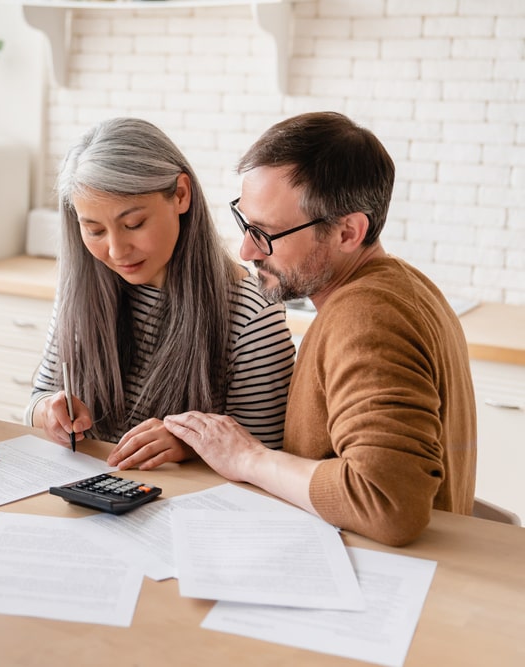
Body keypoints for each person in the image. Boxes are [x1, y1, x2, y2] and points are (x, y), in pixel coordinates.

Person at [164, 111, 476, 546]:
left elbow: (388, 503)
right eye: (245, 222)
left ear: (348, 232)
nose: (247, 249)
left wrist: (248, 458)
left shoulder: (365, 317)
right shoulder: (405, 285)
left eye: (266, 232)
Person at [26, 117, 295, 470]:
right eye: (94, 230)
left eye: (133, 224)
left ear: (181, 195)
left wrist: (192, 444)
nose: (117, 251)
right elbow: (37, 399)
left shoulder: (251, 313)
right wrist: (50, 412)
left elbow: (266, 456)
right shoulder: (81, 290)